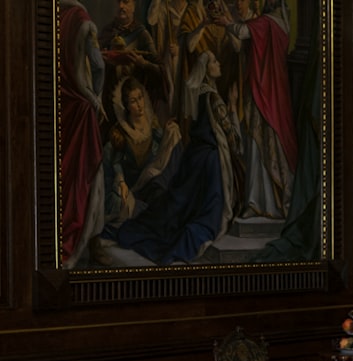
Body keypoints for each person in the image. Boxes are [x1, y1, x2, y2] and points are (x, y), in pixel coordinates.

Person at [99, 51, 242, 264]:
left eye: (140, 99)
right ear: (206, 71)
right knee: (202, 212)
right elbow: (232, 137)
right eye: (213, 61)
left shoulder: (202, 94)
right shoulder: (214, 98)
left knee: (178, 205)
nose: (218, 64)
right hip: (210, 160)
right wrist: (232, 106)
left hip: (197, 156)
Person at [219, 0, 297, 220]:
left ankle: (257, 201)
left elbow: (243, 31)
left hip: (265, 94)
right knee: (259, 143)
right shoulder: (281, 24)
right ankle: (259, 201)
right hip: (272, 93)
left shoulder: (266, 23)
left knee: (258, 144)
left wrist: (226, 21)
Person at [58, 0, 106, 269]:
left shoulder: (53, 15)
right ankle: (85, 244)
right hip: (83, 106)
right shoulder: (84, 21)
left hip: (61, 106)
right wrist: (97, 97)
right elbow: (98, 65)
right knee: (90, 175)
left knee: (65, 173)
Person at [101, 77, 182, 234]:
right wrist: (122, 182)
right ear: (126, 106)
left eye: (140, 98)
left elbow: (161, 149)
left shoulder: (151, 126)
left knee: (174, 132)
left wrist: (168, 131)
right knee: (146, 213)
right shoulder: (122, 133)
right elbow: (116, 162)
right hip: (133, 187)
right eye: (133, 101)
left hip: (149, 183)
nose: (139, 105)